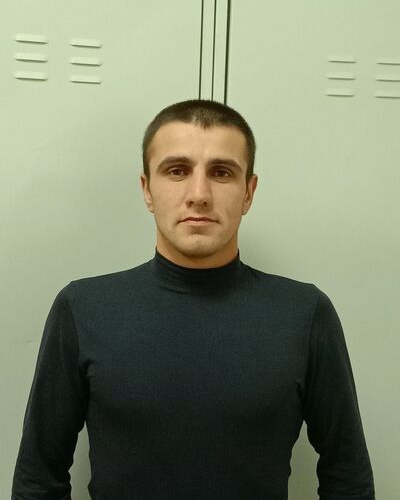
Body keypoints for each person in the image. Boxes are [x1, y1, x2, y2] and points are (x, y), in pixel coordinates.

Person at [12, 99, 375, 499]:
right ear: (147, 190)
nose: (198, 194)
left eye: (221, 172)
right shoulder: (83, 309)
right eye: (177, 171)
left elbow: (348, 479)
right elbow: (37, 480)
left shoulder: (305, 314)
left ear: (248, 192)